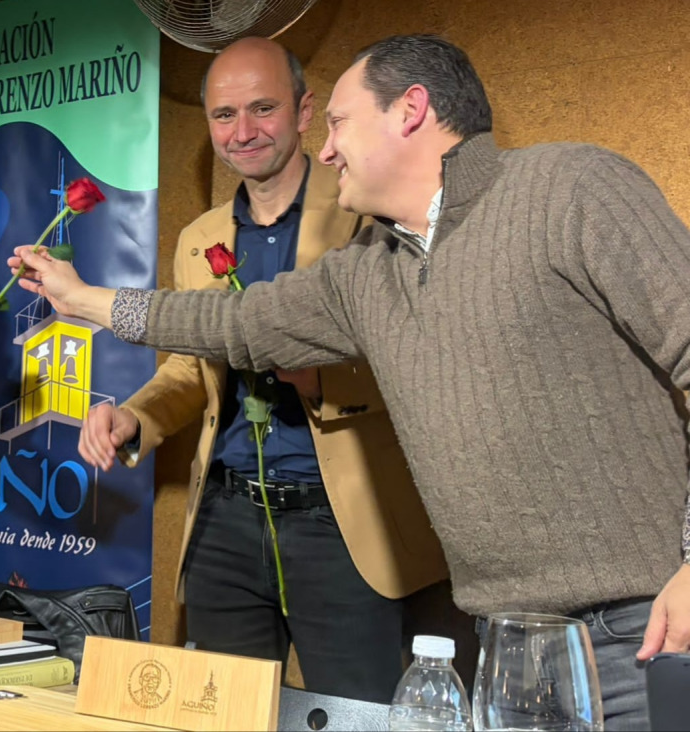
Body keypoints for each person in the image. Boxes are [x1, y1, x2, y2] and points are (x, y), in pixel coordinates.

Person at [10, 34, 690, 730]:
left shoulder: (568, 189)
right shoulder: (372, 267)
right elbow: (238, 322)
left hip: (643, 623)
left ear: (412, 110)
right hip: (507, 636)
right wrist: (85, 299)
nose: (329, 150)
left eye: (337, 122)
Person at [75, 37, 448, 703]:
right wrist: (137, 415)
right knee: (221, 712)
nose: (242, 132)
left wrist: (324, 379)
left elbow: (428, 357)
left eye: (263, 108)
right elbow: (193, 370)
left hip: (344, 529)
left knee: (356, 710)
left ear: (306, 111)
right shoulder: (200, 238)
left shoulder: (368, 215)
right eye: (223, 115)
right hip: (225, 520)